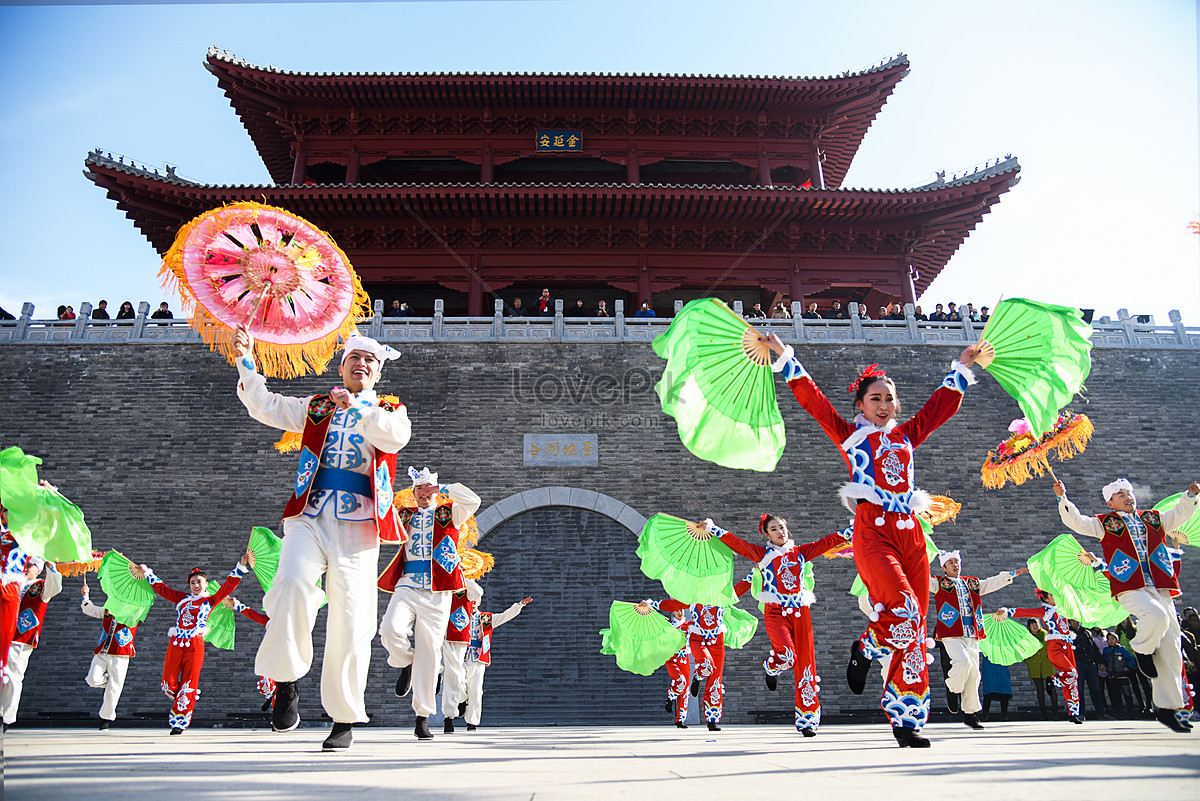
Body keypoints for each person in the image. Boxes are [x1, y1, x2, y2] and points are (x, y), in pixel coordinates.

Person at [762, 333, 978, 748]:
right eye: (875, 399)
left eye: (889, 399)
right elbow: (814, 402)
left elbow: (940, 408)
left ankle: (907, 718)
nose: (883, 405)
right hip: (873, 530)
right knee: (902, 605)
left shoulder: (907, 435)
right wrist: (785, 357)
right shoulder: (850, 436)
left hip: (912, 533)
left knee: (913, 627)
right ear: (860, 405)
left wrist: (963, 365)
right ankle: (866, 646)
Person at [235, 326, 411, 750]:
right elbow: (266, 406)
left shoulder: (390, 409)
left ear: (378, 374)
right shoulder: (317, 406)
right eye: (355, 359)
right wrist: (246, 361)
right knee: (291, 584)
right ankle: (286, 679)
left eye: (370, 362)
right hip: (309, 517)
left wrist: (360, 410)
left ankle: (343, 717)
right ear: (342, 365)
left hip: (359, 526)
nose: (362, 366)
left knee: (352, 621)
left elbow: (395, 436)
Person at [1054, 476, 1197, 733]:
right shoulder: (1104, 523)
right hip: (1129, 585)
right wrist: (1062, 498)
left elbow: (1178, 515)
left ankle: (1167, 708)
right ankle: (1141, 649)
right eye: (1120, 495)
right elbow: (1077, 522)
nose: (1128, 497)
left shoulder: (1153, 517)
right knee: (1155, 617)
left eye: (1129, 493)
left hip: (1161, 584)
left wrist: (1190, 496)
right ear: (1110, 502)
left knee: (1172, 647)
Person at [704, 513, 851, 736]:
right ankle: (771, 667)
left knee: (806, 663)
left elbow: (826, 542)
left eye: (782, 527)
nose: (780, 532)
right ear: (766, 534)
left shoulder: (801, 552)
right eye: (774, 529)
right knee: (787, 654)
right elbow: (737, 543)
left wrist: (852, 530)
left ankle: (807, 719)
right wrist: (713, 529)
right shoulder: (761, 554)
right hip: (775, 612)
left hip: (801, 612)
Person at [377, 467, 480, 740]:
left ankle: (422, 716)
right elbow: (378, 520)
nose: (423, 494)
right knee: (390, 628)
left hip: (438, 591)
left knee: (431, 653)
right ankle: (405, 661)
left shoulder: (450, 514)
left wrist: (443, 488)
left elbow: (473, 501)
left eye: (428, 488)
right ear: (413, 493)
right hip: (407, 584)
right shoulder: (404, 516)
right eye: (419, 489)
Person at [131, 552, 251, 733]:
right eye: (193, 583)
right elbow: (162, 589)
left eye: (199, 582)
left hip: (195, 644)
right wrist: (146, 572)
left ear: (206, 585)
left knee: (190, 682)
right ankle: (182, 698)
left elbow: (228, 587)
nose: (196, 585)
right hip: (176, 642)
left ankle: (179, 721)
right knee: (168, 682)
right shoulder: (182, 599)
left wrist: (240, 567)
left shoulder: (210, 600)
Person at [930, 550, 1026, 729]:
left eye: (956, 561)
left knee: (974, 674)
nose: (955, 564)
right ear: (943, 567)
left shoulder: (971, 583)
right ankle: (953, 689)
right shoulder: (938, 583)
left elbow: (991, 583)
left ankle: (970, 713)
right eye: (950, 562)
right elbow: (921, 579)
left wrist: (1011, 574)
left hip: (972, 634)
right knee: (963, 663)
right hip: (951, 633)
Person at [639, 597, 730, 731]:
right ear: (673, 613)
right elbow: (670, 605)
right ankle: (670, 697)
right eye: (677, 611)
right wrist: (650, 605)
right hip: (672, 659)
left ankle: (681, 719)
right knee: (680, 682)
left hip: (685, 658)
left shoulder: (689, 624)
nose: (680, 613)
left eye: (681, 611)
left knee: (686, 689)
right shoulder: (667, 626)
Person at [995, 588, 1083, 725]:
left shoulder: (1064, 608)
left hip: (1068, 646)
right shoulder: (1046, 611)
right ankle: (1053, 680)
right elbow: (1025, 612)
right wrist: (1007, 611)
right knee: (1070, 673)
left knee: (1073, 680)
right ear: (1046, 599)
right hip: (1055, 646)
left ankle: (1074, 713)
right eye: (1052, 595)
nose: (1057, 596)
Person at [0, 559, 62, 730]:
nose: (27, 567)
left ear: (38, 569)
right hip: (4, 632)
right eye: (26, 563)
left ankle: (6, 717)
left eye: (31, 565)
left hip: (22, 636)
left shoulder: (40, 586)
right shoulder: (10, 582)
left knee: (13, 677)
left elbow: (55, 587)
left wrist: (51, 566)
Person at [460, 591, 532, 731]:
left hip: (478, 659)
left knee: (475, 690)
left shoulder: (486, 618)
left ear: (480, 602)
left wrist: (518, 606)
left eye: (476, 599)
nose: (473, 601)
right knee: (457, 682)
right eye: (471, 599)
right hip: (461, 657)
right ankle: (461, 700)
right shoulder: (459, 616)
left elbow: (504, 616)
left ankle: (472, 722)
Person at [80, 578, 137, 730]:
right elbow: (91, 610)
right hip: (103, 650)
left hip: (121, 652)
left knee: (114, 688)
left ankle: (105, 719)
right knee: (93, 679)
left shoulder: (134, 610)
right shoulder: (108, 609)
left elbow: (133, 618)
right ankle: (110, 684)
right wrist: (86, 596)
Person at [439, 577, 482, 733]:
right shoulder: (441, 588)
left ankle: (461, 699)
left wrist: (464, 574)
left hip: (458, 637)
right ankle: (448, 717)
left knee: (456, 675)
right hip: (439, 632)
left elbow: (478, 591)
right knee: (450, 674)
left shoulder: (464, 592)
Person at [1068, 617, 1111, 719]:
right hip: (1078, 664)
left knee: (1096, 689)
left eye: (1077, 620)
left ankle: (1101, 713)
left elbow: (1094, 648)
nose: (1076, 622)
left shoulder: (1087, 632)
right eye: (1073, 620)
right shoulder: (1068, 633)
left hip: (1090, 663)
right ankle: (1081, 713)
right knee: (1079, 690)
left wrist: (1101, 662)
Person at [1023, 619, 1059, 719]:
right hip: (1034, 665)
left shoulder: (1047, 636)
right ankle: (1043, 713)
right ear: (1029, 627)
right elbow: (1023, 651)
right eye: (1032, 625)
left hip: (1047, 665)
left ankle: (1055, 712)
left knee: (1051, 688)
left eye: (1036, 624)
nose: (1035, 626)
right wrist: (1028, 661)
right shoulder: (1027, 638)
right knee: (1040, 690)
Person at [1102, 630, 1136, 716]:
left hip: (1122, 676)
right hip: (1112, 677)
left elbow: (1131, 659)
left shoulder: (1122, 649)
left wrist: (1128, 667)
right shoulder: (1106, 650)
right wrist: (1103, 666)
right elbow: (1104, 660)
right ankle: (1118, 712)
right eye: (1109, 639)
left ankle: (1131, 712)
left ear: (1117, 640)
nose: (1111, 641)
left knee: (1127, 695)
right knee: (1115, 696)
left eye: (1112, 639)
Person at [978, 654, 1011, 721]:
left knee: (1004, 689)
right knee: (989, 690)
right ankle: (985, 714)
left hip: (1002, 661)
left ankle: (1004, 714)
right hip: (989, 662)